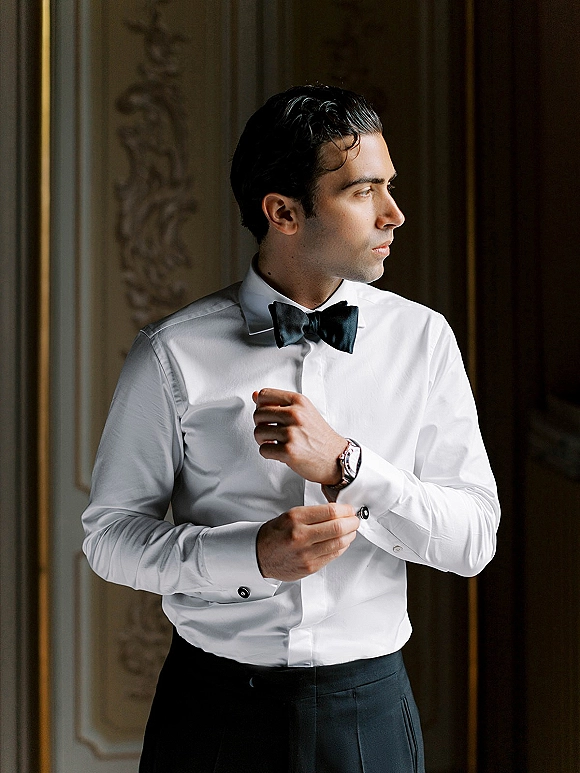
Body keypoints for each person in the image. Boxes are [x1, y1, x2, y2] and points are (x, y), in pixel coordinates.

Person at [82, 84, 500, 773]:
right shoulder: (170, 353)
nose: (395, 214)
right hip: (211, 711)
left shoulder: (423, 340)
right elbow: (109, 537)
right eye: (365, 192)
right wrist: (250, 558)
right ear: (283, 211)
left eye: (388, 187)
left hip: (369, 714)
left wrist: (351, 466)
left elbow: (473, 541)